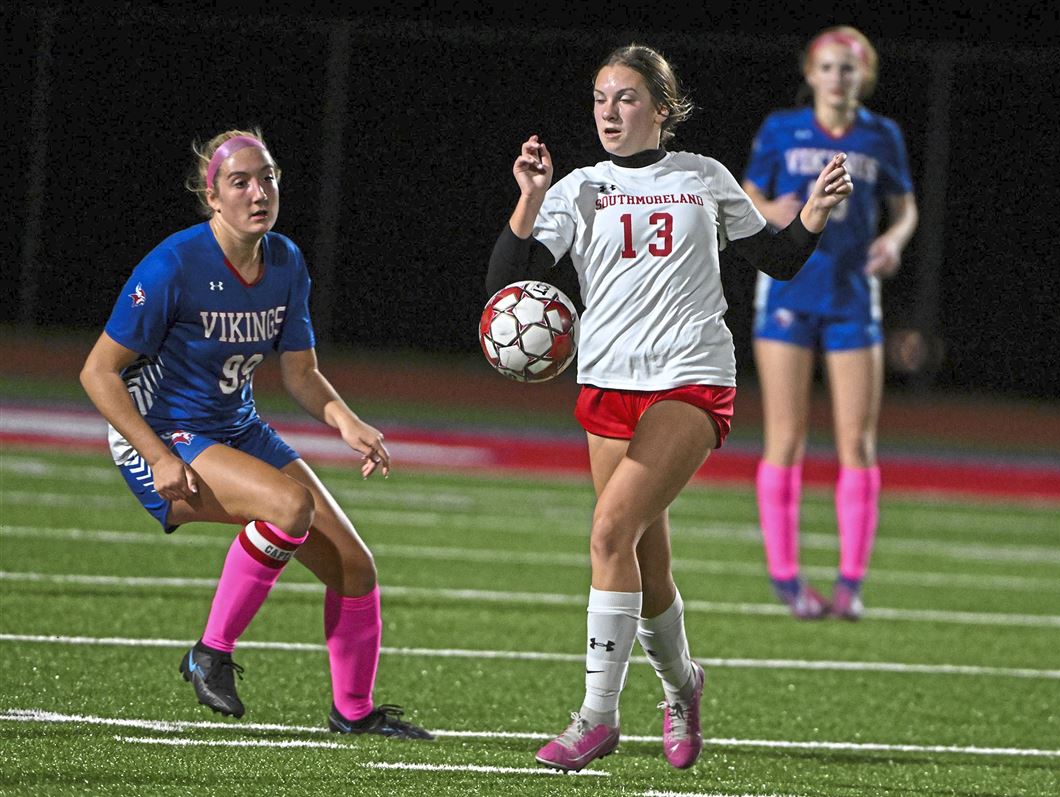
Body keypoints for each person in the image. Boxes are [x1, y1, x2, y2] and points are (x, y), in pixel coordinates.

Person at [486, 43, 851, 772]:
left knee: (608, 530)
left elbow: (775, 259)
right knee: (642, 564)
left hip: (691, 378)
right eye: (599, 98)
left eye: (625, 98)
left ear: (661, 108)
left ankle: (596, 716)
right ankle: (684, 687)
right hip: (607, 386)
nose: (609, 112)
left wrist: (809, 216)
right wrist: (529, 197)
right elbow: (508, 285)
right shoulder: (579, 187)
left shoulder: (702, 177)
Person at [78, 128, 433, 740]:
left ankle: (353, 712)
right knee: (289, 506)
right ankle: (210, 652)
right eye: (239, 181)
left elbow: (301, 372)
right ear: (212, 196)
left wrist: (345, 419)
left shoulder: (286, 261)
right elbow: (96, 372)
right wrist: (155, 454)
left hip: (235, 426)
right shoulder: (173, 265)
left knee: (355, 567)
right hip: (166, 432)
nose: (257, 191)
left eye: (266, 176)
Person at [742, 26, 919, 621]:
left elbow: (905, 207)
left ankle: (850, 583)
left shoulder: (882, 135)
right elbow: (749, 195)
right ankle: (787, 578)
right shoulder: (780, 129)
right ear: (811, 73)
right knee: (786, 438)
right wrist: (776, 212)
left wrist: (893, 241)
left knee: (858, 442)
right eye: (827, 67)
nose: (837, 78)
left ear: (862, 76)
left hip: (851, 296)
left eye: (848, 68)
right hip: (789, 290)